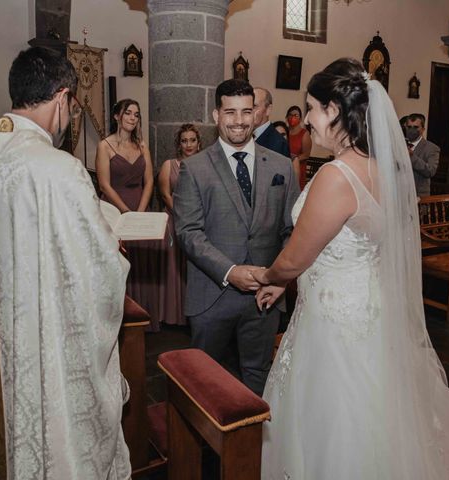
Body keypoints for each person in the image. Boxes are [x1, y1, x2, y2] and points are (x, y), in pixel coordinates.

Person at [253, 58, 449, 479]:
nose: (308, 119)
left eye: (312, 108)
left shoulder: (336, 175)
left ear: (334, 110)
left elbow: (297, 256)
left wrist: (266, 276)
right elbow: (341, 246)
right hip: (369, 309)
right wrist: (289, 280)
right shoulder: (379, 169)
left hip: (336, 323)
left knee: (341, 416)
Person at [0, 46, 131, 479]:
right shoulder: (56, 168)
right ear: (62, 98)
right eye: (71, 107)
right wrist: (111, 242)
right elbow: (97, 271)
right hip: (38, 337)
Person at [173, 79, 300, 395]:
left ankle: (253, 443)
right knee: (202, 382)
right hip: (213, 293)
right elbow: (188, 232)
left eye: (247, 111)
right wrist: (230, 272)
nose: (240, 121)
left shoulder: (281, 166)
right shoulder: (195, 168)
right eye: (230, 112)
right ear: (216, 115)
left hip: (266, 295)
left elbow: (292, 230)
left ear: (257, 114)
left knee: (259, 379)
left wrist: (280, 279)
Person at [96, 99, 161, 331]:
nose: (133, 118)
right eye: (128, 113)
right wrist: (125, 211)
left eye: (136, 114)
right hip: (114, 208)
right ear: (117, 116)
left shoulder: (142, 145)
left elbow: (150, 180)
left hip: (139, 204)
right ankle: (116, 319)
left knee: (140, 262)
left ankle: (142, 319)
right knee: (118, 260)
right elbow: (104, 184)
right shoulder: (105, 145)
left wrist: (140, 213)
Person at [157, 124, 202, 326]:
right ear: (179, 144)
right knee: (174, 267)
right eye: (184, 140)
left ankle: (194, 311)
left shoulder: (204, 164)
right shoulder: (170, 165)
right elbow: (165, 194)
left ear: (199, 143)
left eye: (192, 140)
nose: (188, 144)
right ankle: (174, 315)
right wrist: (182, 214)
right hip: (175, 219)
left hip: (199, 222)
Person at [405, 112, 440, 197]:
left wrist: (411, 156)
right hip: (400, 195)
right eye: (409, 127)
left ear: (423, 129)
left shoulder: (432, 148)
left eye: (416, 127)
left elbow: (430, 171)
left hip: (419, 196)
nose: (412, 130)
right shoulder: (399, 145)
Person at [253, 87, 291, 157]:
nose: (249, 111)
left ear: (268, 109)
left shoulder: (279, 144)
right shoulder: (245, 136)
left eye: (254, 106)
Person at [285, 105, 312, 188]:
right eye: (290, 115)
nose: (293, 117)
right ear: (286, 117)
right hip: (284, 168)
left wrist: (292, 160)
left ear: (300, 119)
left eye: (296, 115)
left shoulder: (304, 134)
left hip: (298, 169)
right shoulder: (284, 132)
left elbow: (306, 155)